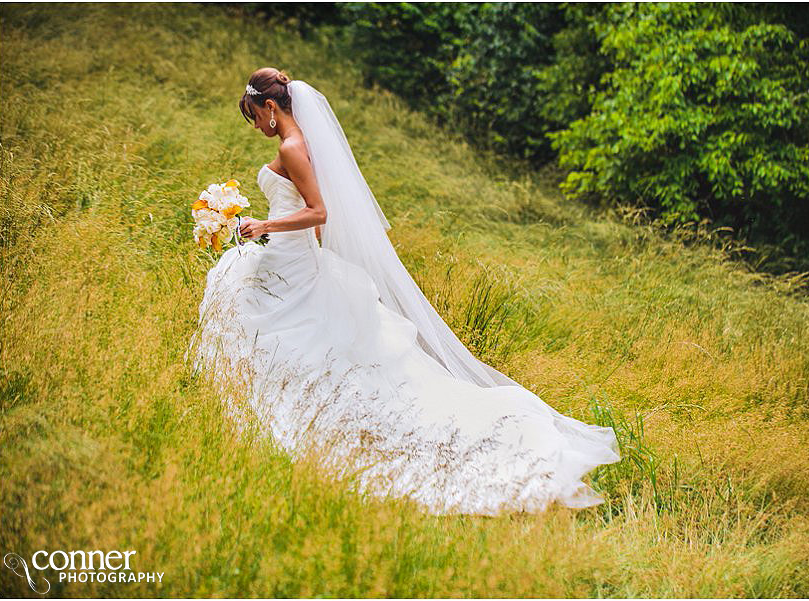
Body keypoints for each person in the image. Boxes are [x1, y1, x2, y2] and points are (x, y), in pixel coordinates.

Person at [188, 67, 621, 516]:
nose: (256, 126)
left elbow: (319, 212)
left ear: (272, 108)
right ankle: (264, 401)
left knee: (260, 313)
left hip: (287, 250)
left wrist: (263, 225)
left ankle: (291, 410)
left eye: (255, 116)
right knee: (263, 313)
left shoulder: (293, 147)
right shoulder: (300, 144)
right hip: (290, 256)